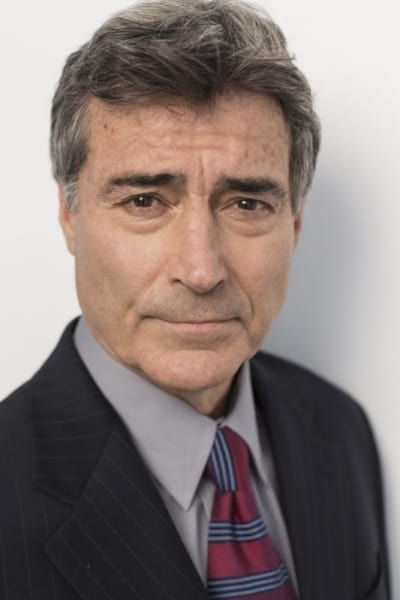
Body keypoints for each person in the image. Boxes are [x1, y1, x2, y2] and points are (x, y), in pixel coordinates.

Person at [0, 0, 390, 598]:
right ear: (69, 215)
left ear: (294, 223)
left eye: (247, 204)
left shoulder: (340, 430)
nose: (202, 270)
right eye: (145, 202)